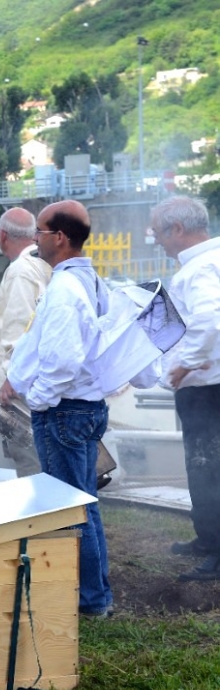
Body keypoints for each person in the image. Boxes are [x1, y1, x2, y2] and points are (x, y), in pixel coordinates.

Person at [7, 200, 113, 617]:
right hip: (82, 407)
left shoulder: (67, 289)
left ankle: (89, 600)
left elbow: (64, 359)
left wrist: (40, 398)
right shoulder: (87, 281)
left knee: (69, 507)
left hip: (64, 411)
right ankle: (94, 594)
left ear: (60, 238)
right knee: (84, 503)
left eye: (40, 231)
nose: (35, 238)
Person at [151, 196, 220, 582]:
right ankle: (206, 535)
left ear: (178, 230)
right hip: (212, 381)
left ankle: (215, 549)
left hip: (206, 386)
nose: (157, 240)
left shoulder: (198, 269)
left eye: (158, 232)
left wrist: (184, 363)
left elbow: (210, 319)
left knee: (205, 465)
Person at [0, 207, 51, 477]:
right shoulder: (41, 264)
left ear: (2, 236)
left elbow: (20, 331)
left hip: (19, 386)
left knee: (27, 457)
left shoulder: (21, 270)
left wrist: (11, 380)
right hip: (35, 379)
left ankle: (37, 516)